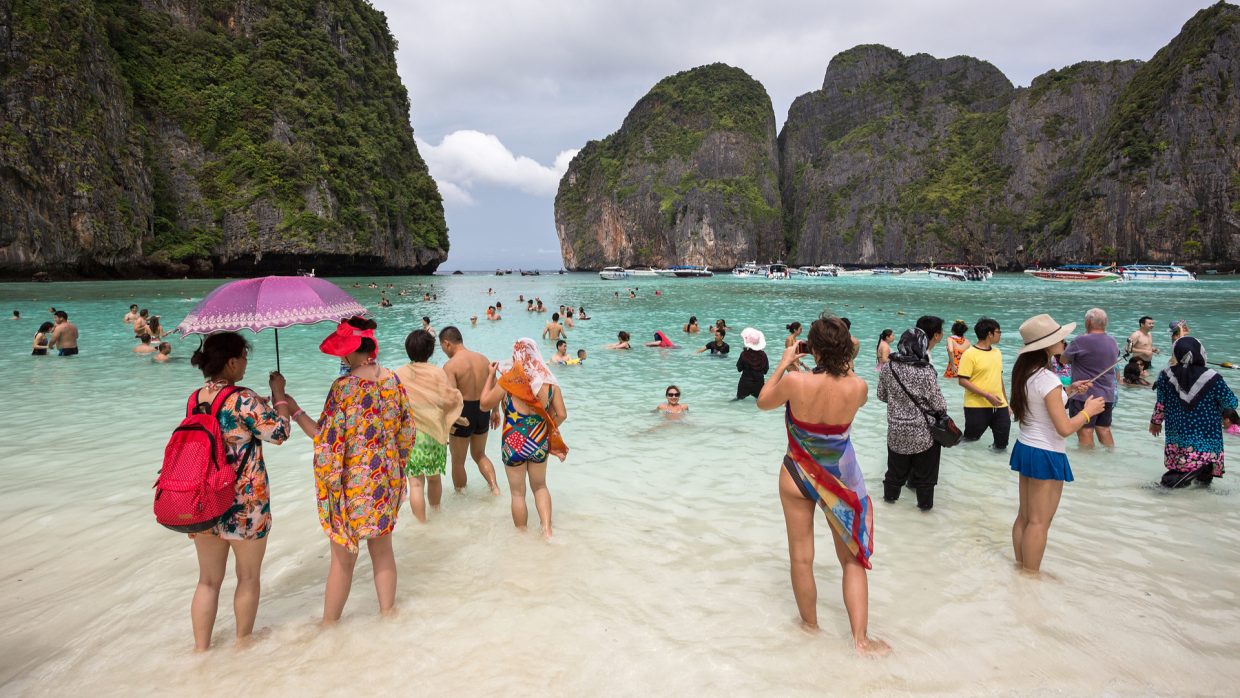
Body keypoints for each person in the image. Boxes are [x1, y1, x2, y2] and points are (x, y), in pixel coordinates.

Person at [755, 315, 888, 655]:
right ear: (845, 349)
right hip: (841, 479)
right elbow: (851, 354)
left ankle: (810, 628)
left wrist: (785, 363)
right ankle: (861, 640)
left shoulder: (795, 381)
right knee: (853, 560)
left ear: (811, 349)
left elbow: (763, 401)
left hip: (797, 473)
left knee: (802, 559)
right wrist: (835, 350)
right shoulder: (858, 387)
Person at [185, 332, 292, 651]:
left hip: (205, 500)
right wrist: (278, 393)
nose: (246, 363)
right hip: (245, 503)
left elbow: (224, 422)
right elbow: (280, 432)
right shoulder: (243, 399)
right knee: (247, 577)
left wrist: (256, 400)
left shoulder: (196, 398)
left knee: (207, 581)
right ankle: (242, 645)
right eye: (244, 358)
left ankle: (201, 650)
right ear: (231, 362)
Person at [312, 317, 415, 622]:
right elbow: (407, 433)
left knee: (343, 560)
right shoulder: (393, 380)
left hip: (353, 485)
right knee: (383, 551)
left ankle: (329, 628)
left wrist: (290, 406)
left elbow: (327, 442)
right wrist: (395, 470)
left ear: (350, 350)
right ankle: (387, 616)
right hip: (386, 479)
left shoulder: (343, 388)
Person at [1008, 314, 1103, 573]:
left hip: (1026, 447)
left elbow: (1040, 403)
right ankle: (1030, 577)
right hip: (1046, 452)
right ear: (1046, 345)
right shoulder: (1048, 380)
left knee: (1025, 517)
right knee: (1039, 522)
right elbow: (1063, 429)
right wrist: (1088, 411)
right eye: (1059, 338)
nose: (1064, 341)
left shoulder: (1026, 373)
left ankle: (1020, 568)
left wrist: (1069, 390)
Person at [480, 339, 568, 538]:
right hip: (538, 442)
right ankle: (547, 531)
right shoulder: (549, 383)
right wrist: (546, 430)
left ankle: (521, 538)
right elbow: (562, 414)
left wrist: (491, 376)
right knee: (540, 486)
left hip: (513, 445)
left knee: (517, 494)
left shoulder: (509, 381)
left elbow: (484, 404)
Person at [876, 316, 947, 510]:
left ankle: (888, 506)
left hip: (896, 431)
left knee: (894, 473)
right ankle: (924, 513)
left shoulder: (888, 368)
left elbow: (881, 395)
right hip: (923, 434)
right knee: (925, 478)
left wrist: (900, 404)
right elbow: (939, 405)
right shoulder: (926, 371)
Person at [394, 330, 464, 523]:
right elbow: (448, 399)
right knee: (434, 478)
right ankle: (436, 513)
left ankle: (422, 525)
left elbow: (394, 404)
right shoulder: (437, 372)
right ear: (431, 350)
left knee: (415, 484)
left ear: (408, 350)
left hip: (410, 436)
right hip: (434, 434)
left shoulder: (399, 373)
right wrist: (458, 400)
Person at [1149, 337, 1238, 488]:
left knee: (1180, 466)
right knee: (1204, 476)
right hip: (1207, 435)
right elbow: (1231, 402)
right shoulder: (1213, 377)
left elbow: (1161, 403)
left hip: (1178, 433)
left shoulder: (1165, 375)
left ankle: (1173, 486)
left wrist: (1155, 422)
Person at [440, 326, 502, 495]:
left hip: (462, 413)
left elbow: (452, 399)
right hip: (483, 409)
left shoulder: (450, 366)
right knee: (480, 454)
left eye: (442, 347)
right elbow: (494, 385)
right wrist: (496, 410)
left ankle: (461, 497)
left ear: (447, 343)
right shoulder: (483, 359)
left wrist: (445, 425)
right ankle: (494, 488)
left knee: (458, 461)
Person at [1062, 308, 1121, 448]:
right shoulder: (1112, 341)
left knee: (1085, 431)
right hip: (1107, 395)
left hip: (1084, 394)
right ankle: (1110, 459)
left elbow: (1063, 359)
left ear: (1088, 322)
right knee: (1104, 429)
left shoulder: (1081, 340)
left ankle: (1087, 465)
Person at [957, 318, 1009, 450]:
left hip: (999, 405)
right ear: (989, 334)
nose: (1000, 334)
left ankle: (994, 469)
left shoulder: (997, 353)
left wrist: (1007, 403)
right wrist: (986, 395)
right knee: (970, 441)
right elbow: (962, 380)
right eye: (998, 331)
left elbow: (999, 378)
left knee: (1002, 445)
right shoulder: (969, 354)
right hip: (976, 406)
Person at [735, 328, 769, 400]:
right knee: (759, 403)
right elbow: (765, 371)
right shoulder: (763, 355)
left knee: (738, 400)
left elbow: (739, 368)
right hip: (759, 384)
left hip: (745, 383)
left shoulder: (744, 354)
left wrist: (745, 353)